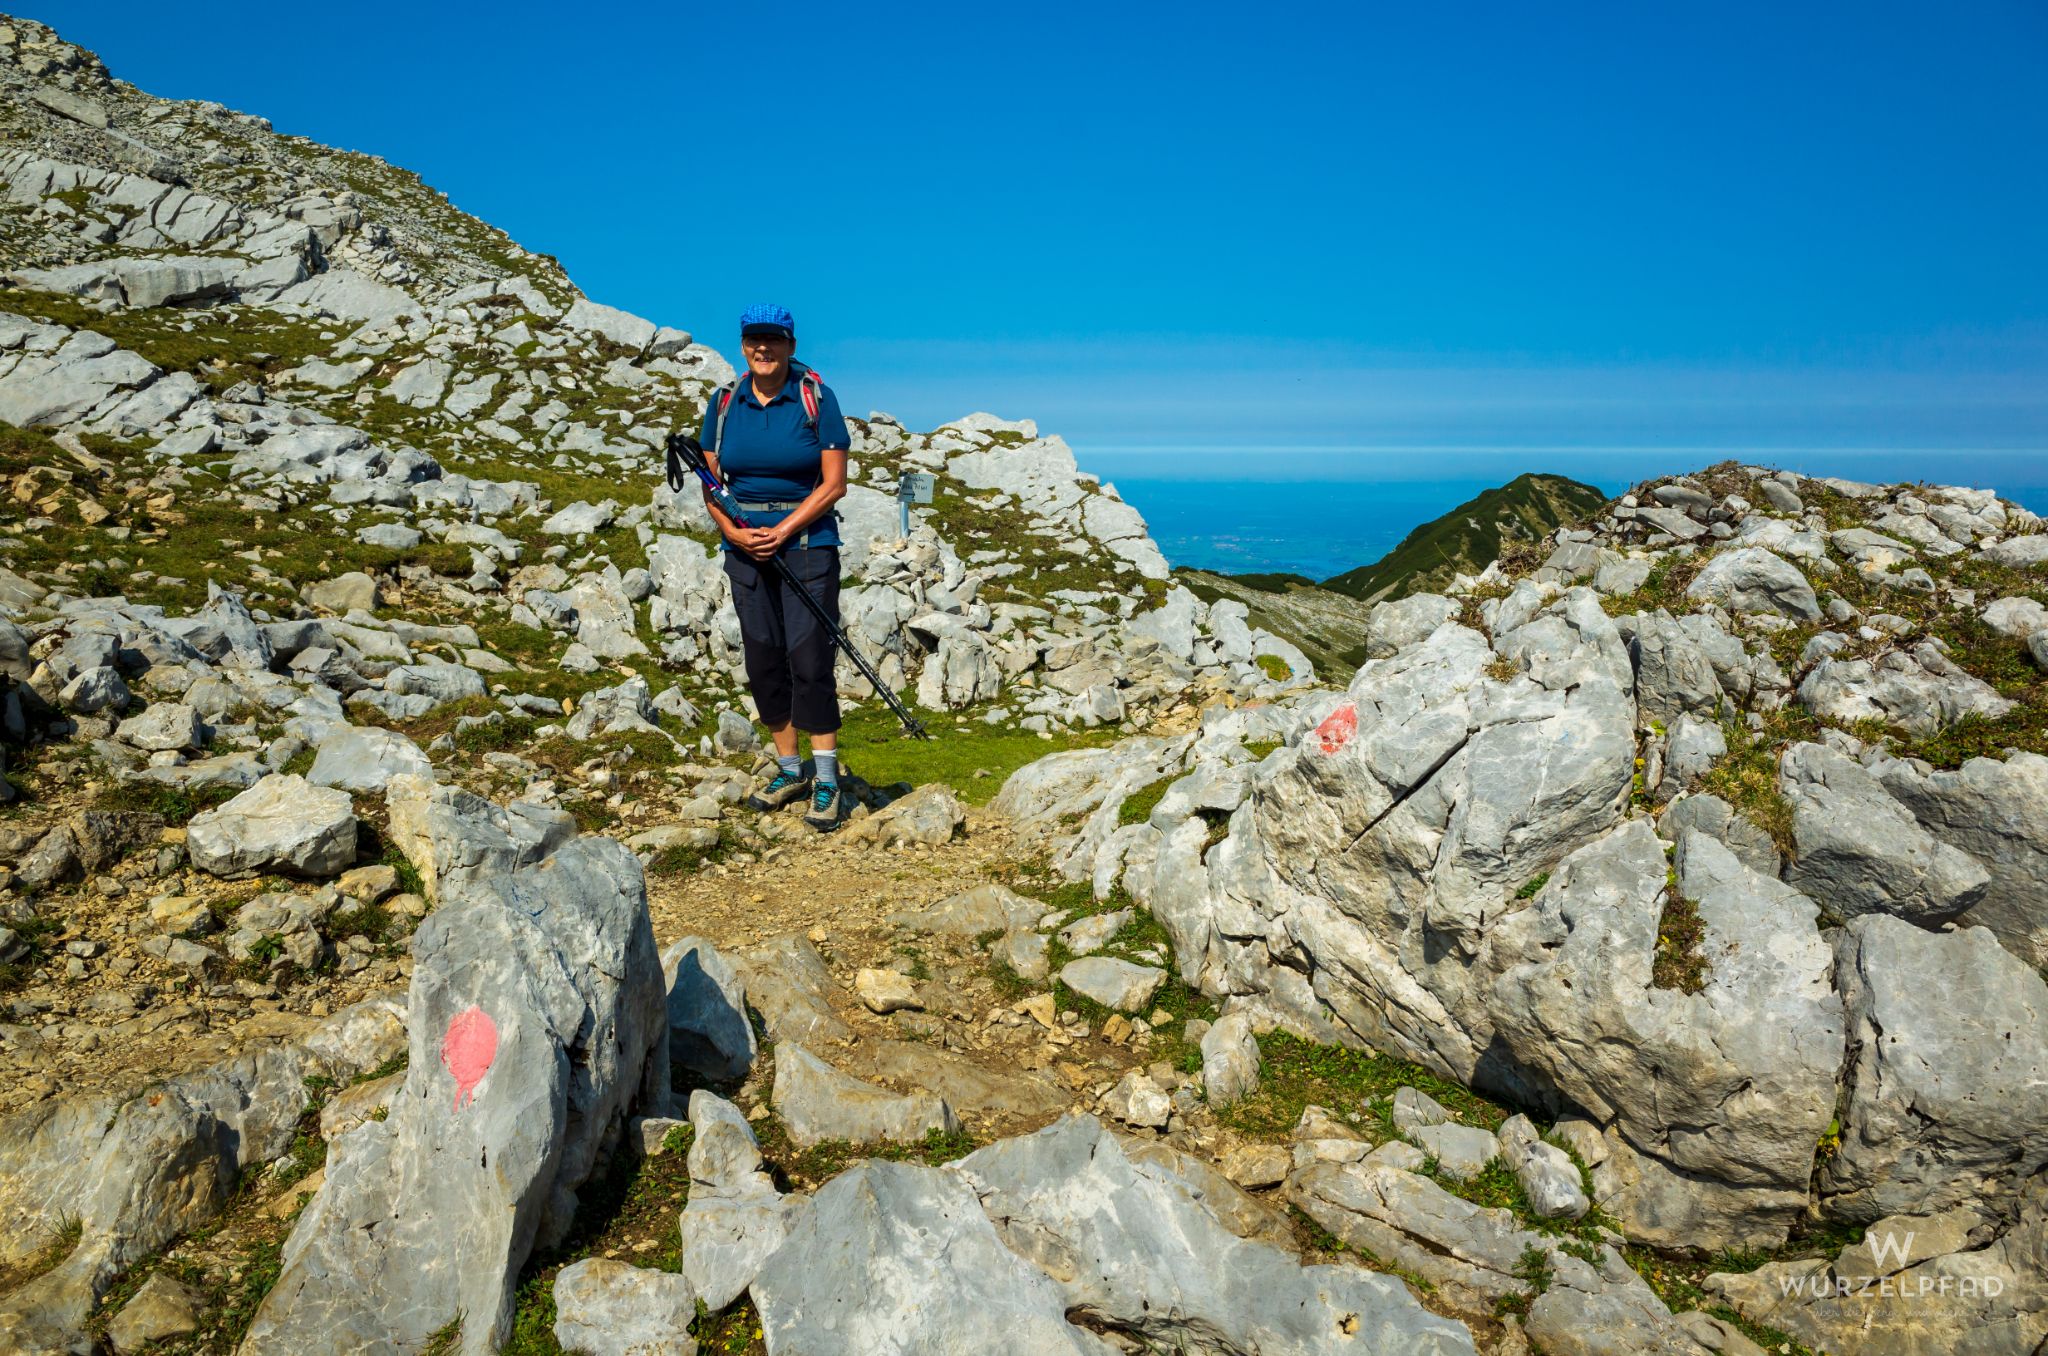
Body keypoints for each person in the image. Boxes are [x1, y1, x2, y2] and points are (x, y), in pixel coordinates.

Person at [697, 304, 851, 831]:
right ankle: (790, 770)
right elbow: (710, 481)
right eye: (753, 339)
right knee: (763, 660)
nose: (763, 348)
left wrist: (783, 531)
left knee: (809, 659)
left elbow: (834, 483)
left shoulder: (815, 398)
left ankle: (826, 778)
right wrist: (733, 532)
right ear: (743, 345)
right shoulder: (723, 403)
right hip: (743, 548)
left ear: (789, 344)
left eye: (774, 340)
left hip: (807, 544)